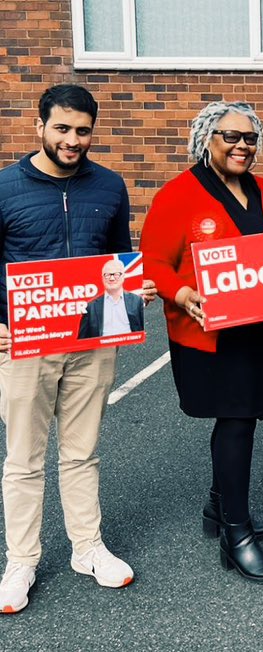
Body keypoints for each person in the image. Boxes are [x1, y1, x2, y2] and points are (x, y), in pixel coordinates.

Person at [0, 85, 153, 614]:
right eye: (62, 128)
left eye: (82, 130)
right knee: (23, 458)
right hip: (25, 344)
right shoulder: (5, 188)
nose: (72, 139)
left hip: (92, 343)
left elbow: (119, 256)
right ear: (39, 126)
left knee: (81, 451)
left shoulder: (109, 186)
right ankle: (21, 559)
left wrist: (138, 293)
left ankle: (86, 548)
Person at [140, 101, 263, 584]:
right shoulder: (178, 195)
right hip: (212, 335)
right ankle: (236, 532)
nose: (241, 146)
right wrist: (183, 293)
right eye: (230, 136)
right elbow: (153, 262)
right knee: (236, 422)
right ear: (207, 138)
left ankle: (217, 504)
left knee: (246, 418)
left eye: (250, 138)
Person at [77, 258, 145, 339]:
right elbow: (82, 339)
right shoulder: (91, 307)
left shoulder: (137, 301)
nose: (112, 278)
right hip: (102, 349)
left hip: (131, 347)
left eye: (116, 274)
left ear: (123, 276)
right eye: (107, 275)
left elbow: (142, 330)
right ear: (102, 278)